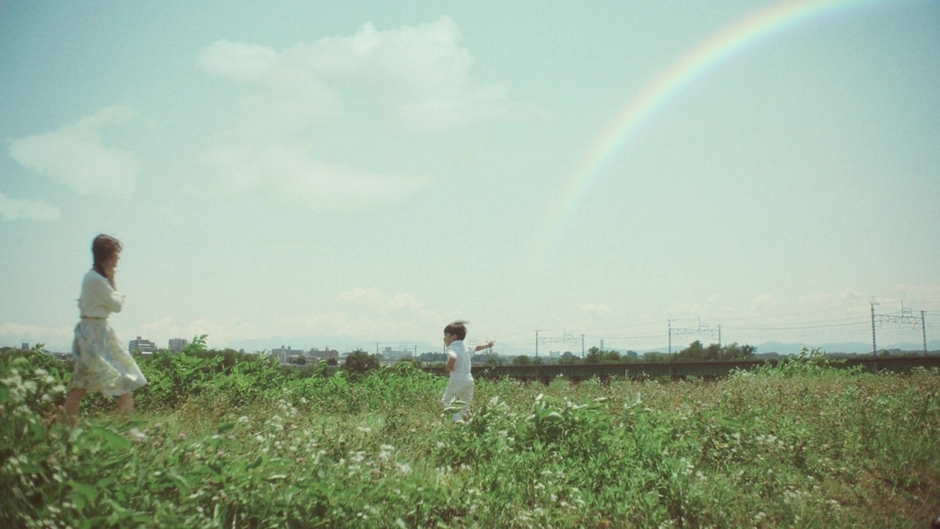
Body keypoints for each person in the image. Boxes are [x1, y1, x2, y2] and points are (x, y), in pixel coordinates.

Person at [61, 234, 148, 426]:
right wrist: (113, 279)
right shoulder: (96, 280)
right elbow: (116, 305)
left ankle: (128, 429)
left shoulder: (94, 278)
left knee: (123, 379)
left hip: (97, 330)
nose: (117, 260)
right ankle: (67, 431)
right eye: (116, 256)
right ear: (107, 256)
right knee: (80, 387)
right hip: (94, 333)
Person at [441, 320, 494, 423]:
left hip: (457, 379)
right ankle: (463, 423)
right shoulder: (465, 347)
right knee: (463, 406)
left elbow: (453, 357)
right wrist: (487, 345)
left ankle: (455, 424)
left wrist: (448, 367)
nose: (444, 339)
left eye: (445, 337)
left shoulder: (451, 347)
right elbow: (477, 347)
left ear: (453, 337)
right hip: (469, 380)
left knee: (446, 403)